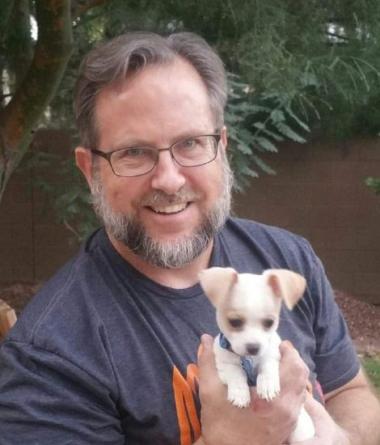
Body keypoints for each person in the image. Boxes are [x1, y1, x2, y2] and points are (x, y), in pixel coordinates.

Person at [0, 31, 379, 445]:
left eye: (191, 143)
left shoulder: (287, 257)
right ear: (89, 170)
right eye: (134, 152)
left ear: (223, 148)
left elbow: (351, 392)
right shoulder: (50, 354)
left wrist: (342, 437)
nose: (168, 179)